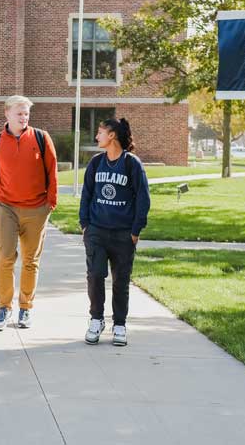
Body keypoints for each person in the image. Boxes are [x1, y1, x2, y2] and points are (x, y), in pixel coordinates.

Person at [0, 95, 58, 331]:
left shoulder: (41, 138)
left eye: (26, 113)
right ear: (7, 114)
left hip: (37, 209)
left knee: (31, 261)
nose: (24, 117)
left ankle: (25, 309)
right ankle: (4, 309)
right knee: (5, 258)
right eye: (19, 113)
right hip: (6, 206)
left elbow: (52, 169)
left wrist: (51, 203)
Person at [80, 117, 150, 347]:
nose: (97, 136)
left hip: (123, 234)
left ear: (111, 136)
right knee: (95, 276)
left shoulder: (132, 164)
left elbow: (143, 198)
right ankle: (96, 319)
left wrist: (135, 230)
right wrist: (85, 224)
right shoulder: (96, 163)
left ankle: (119, 324)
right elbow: (87, 194)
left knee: (121, 281)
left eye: (100, 132)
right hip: (97, 231)